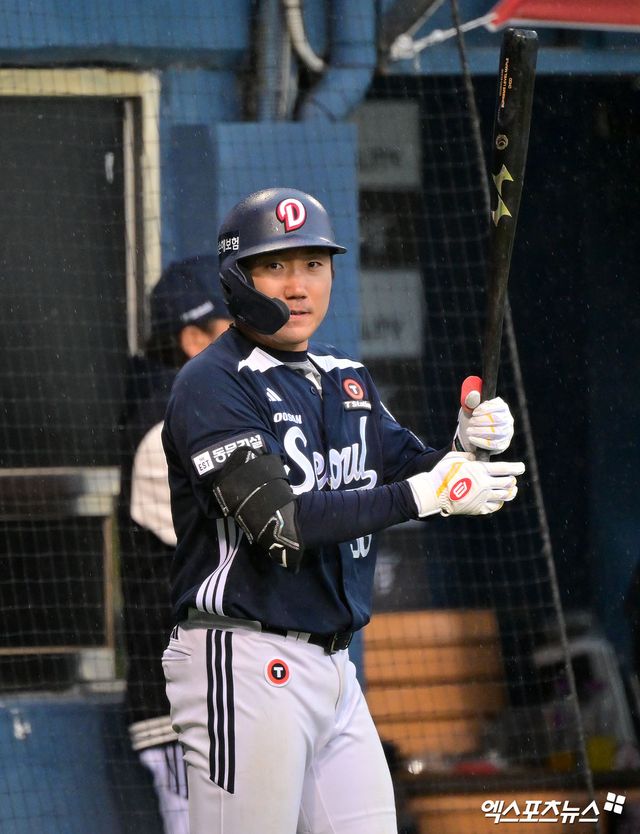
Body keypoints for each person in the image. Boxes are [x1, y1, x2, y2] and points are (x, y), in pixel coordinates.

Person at [161, 188, 525, 834]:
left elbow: (418, 471)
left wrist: (466, 448)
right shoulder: (213, 383)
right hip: (243, 659)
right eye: (275, 266)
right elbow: (281, 527)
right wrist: (428, 493)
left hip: (335, 667)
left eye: (314, 264)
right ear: (236, 278)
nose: (298, 286)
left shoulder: (344, 378)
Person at [118, 255, 231, 834]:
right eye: (233, 329)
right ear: (193, 339)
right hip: (181, 705)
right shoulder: (165, 427)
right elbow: (237, 552)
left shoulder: (210, 411)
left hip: (226, 692)